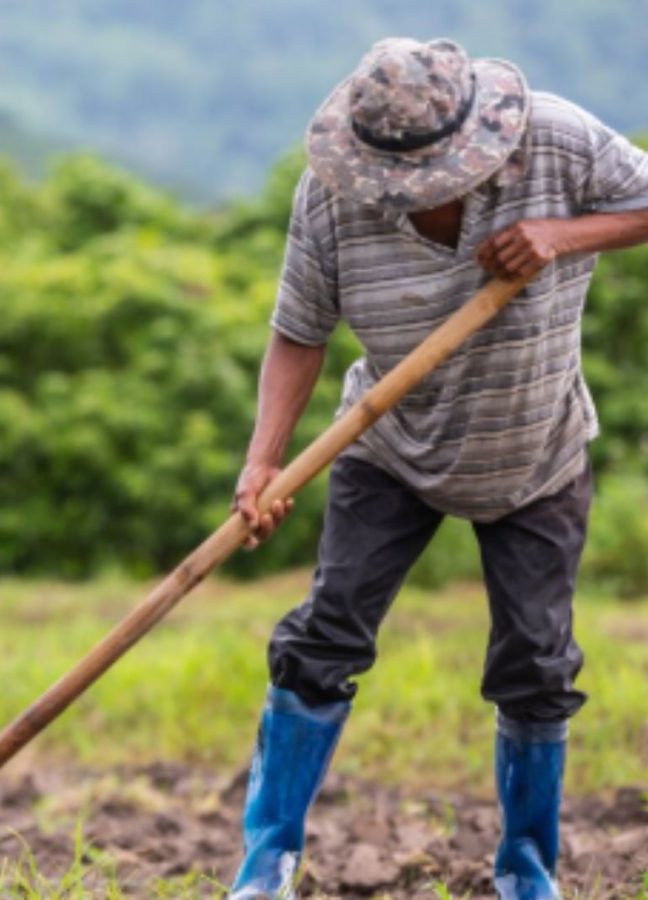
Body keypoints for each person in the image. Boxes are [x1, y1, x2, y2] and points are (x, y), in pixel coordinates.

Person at [228, 37, 648, 900]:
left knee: (537, 664)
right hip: (388, 447)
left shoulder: (557, 140)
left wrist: (563, 235)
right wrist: (263, 464)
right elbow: (299, 332)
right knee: (323, 641)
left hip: (535, 452)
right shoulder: (332, 197)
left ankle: (527, 871)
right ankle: (266, 865)